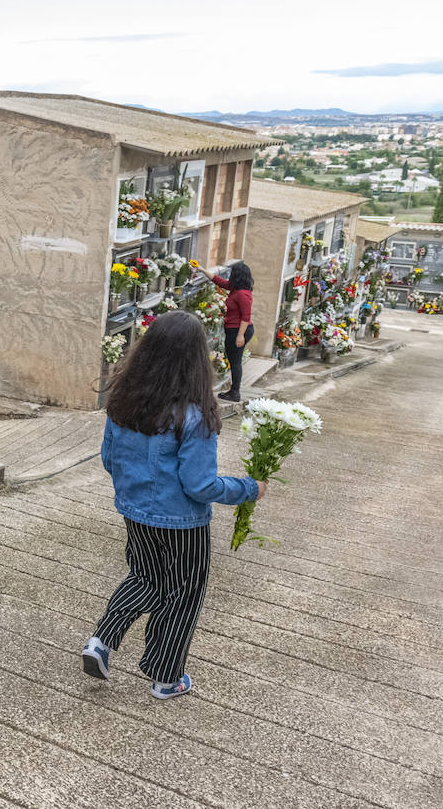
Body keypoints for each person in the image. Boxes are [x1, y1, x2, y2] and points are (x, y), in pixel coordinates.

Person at [81, 311, 264, 700]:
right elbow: (200, 485)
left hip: (134, 513)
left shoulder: (123, 402)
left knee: (144, 578)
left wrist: (135, 490)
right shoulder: (194, 415)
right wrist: (249, 489)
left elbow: (109, 459)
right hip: (183, 523)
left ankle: (101, 640)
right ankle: (166, 678)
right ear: (196, 359)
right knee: (184, 593)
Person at [211, 261, 254, 402]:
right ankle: (234, 391)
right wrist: (201, 269)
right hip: (234, 330)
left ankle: (235, 392)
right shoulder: (236, 289)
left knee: (235, 361)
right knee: (233, 360)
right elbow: (219, 281)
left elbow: (246, 317)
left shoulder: (242, 294)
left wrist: (240, 336)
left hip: (239, 330)